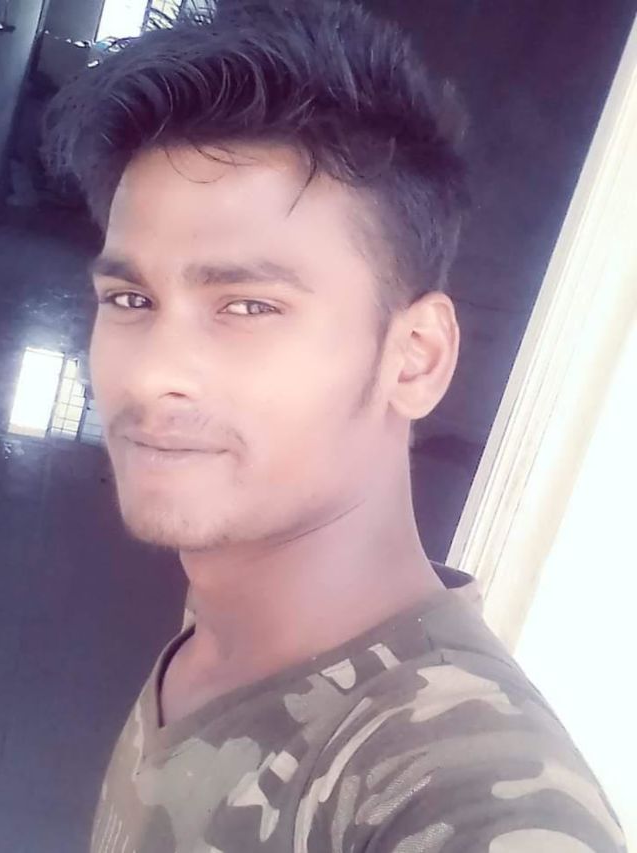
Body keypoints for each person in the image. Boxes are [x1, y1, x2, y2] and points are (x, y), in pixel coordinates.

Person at [43, 1, 626, 851]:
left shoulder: (455, 782)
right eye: (130, 299)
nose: (152, 371)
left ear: (415, 357)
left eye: (248, 305)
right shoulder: (223, 624)